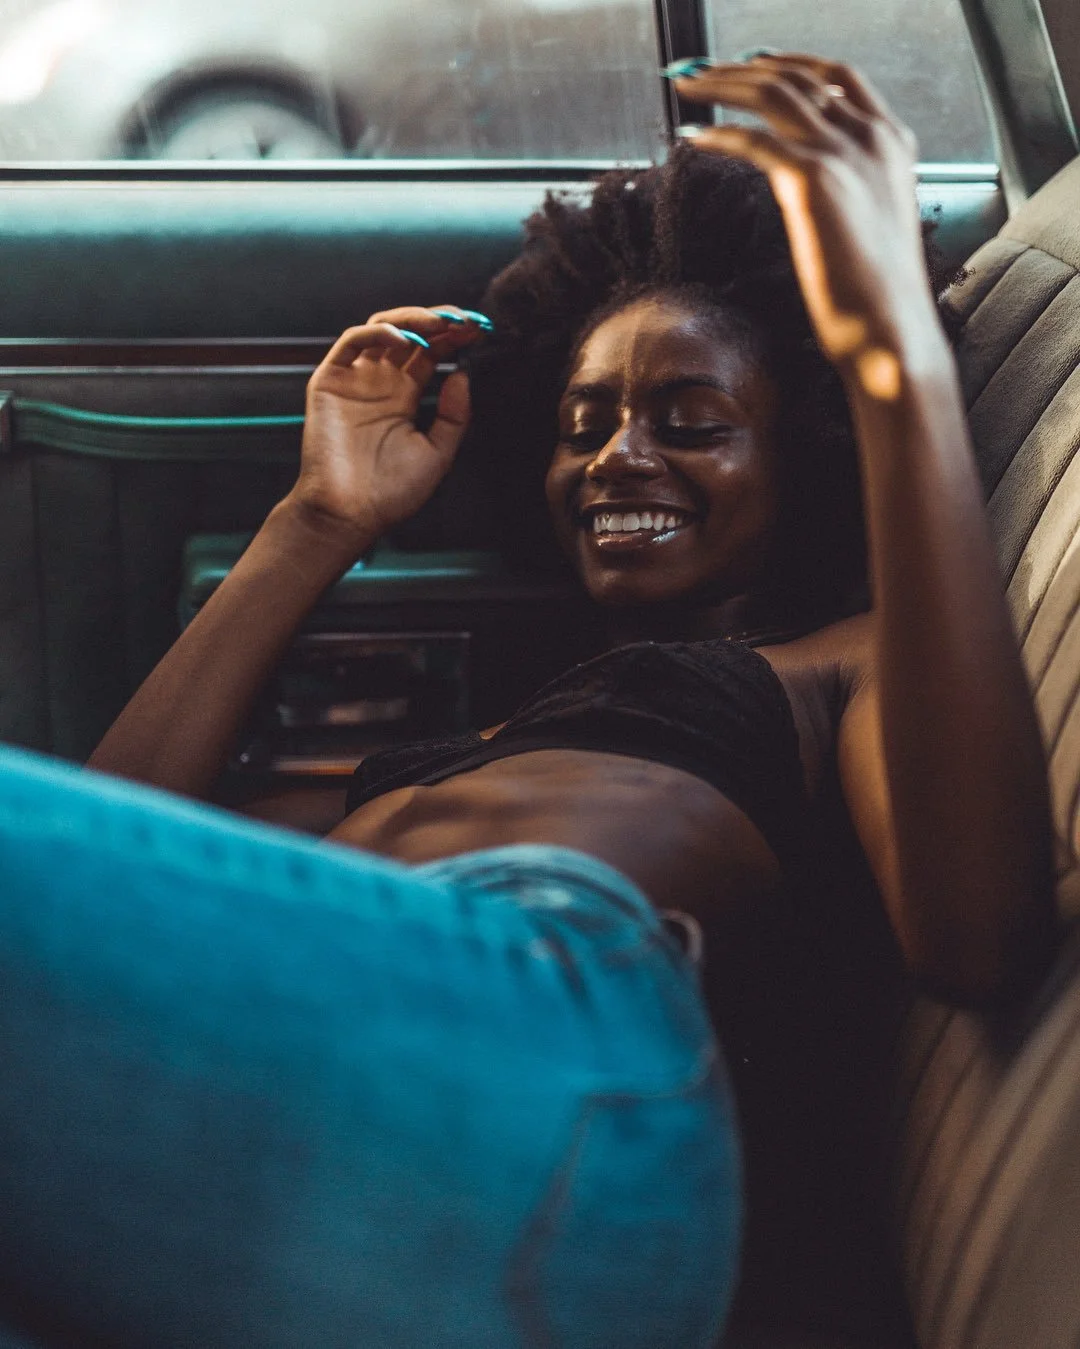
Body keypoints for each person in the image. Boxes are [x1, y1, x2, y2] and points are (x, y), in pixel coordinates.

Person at [0, 53, 1060, 1348]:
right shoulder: (484, 740)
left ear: (812, 448)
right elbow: (124, 877)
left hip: (558, 1058)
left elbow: (979, 933)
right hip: (360, 1117)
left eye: (689, 419)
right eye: (584, 419)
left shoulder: (848, 657)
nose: (620, 453)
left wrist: (890, 351)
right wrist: (317, 519)